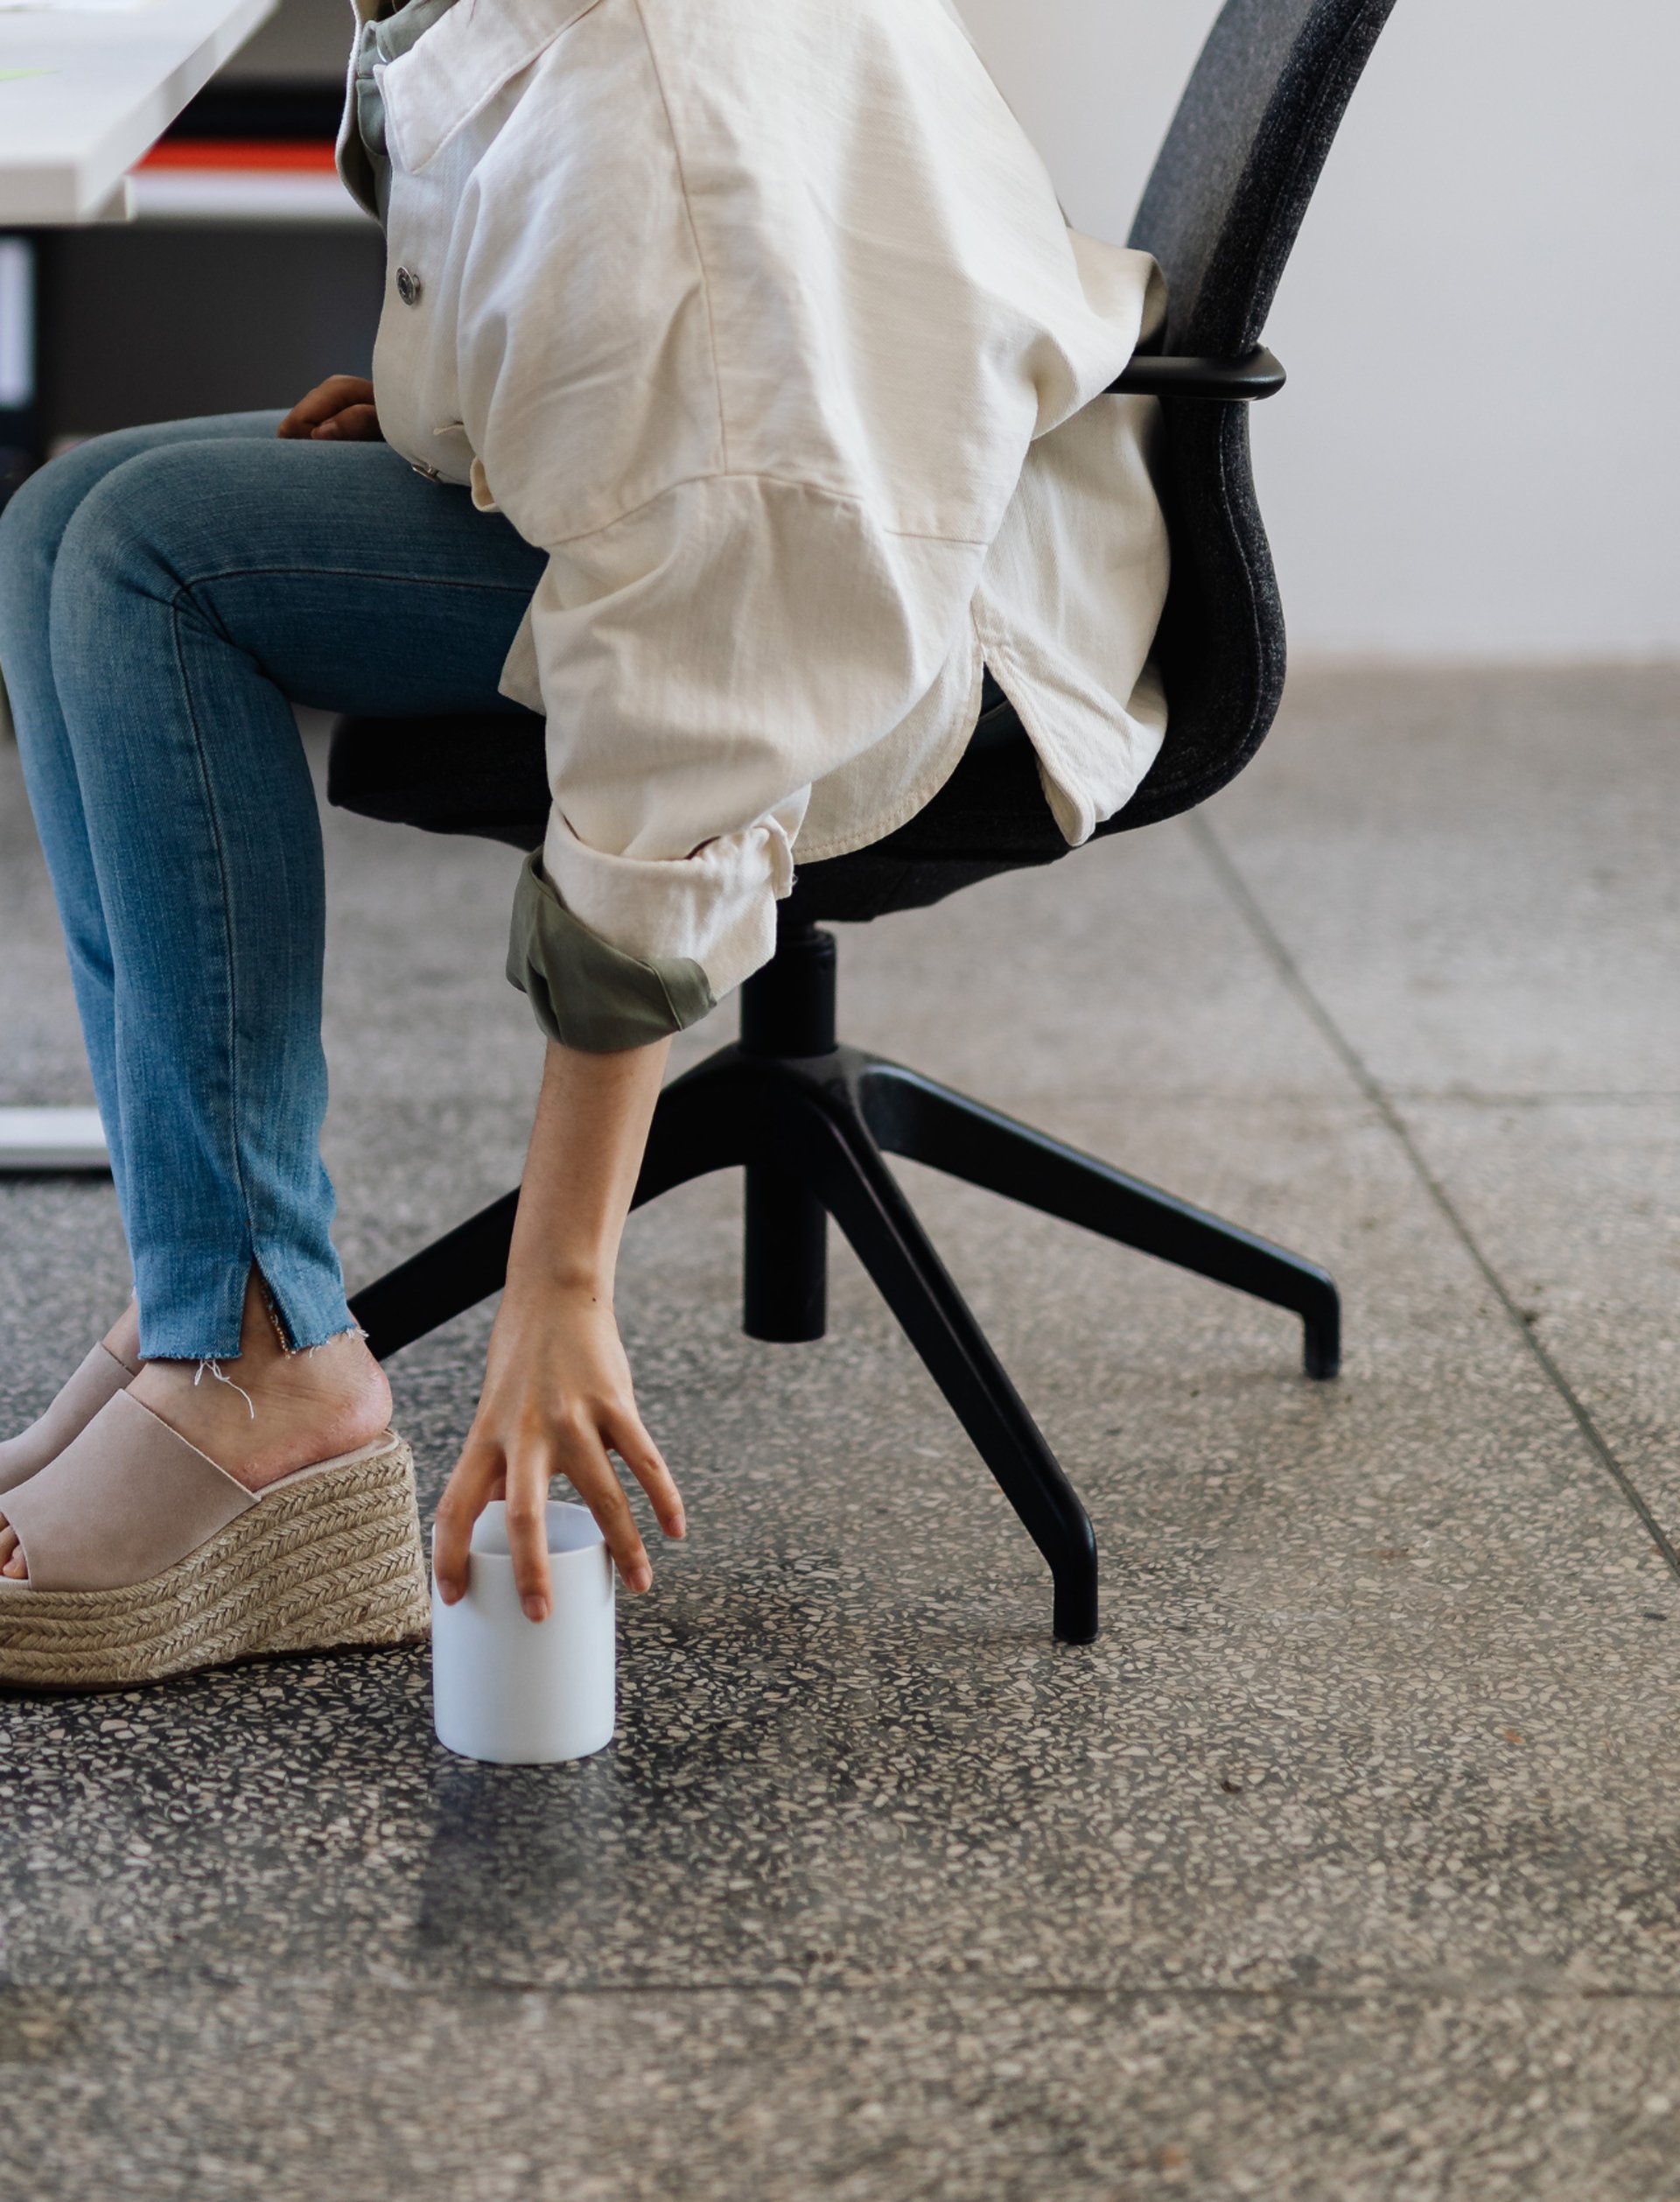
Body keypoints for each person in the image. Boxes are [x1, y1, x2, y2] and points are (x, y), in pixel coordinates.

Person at [0, 0, 1169, 1689]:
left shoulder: (656, 136)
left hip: (907, 624)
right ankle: (207, 1287)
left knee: (147, 568)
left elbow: (714, 698)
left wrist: (562, 1274)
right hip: (814, 489)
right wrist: (473, 392)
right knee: (62, 521)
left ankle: (263, 1370)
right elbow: (640, 349)